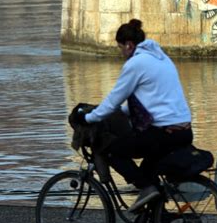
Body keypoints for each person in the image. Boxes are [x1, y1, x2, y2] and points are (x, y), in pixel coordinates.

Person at [73, 19, 193, 212]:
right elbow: (149, 101)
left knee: (111, 149)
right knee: (147, 171)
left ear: (129, 45)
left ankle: (147, 189)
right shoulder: (160, 57)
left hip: (163, 132)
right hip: (184, 130)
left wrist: (87, 118)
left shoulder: (136, 63)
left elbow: (113, 100)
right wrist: (121, 112)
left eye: (120, 48)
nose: (121, 53)